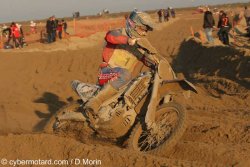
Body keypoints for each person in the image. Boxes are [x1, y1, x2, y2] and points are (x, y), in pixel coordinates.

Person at [72, 11, 174, 118]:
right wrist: (128, 40)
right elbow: (110, 37)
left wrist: (157, 64)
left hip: (123, 81)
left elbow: (146, 59)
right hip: (106, 73)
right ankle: (95, 102)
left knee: (141, 85)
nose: (144, 33)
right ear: (132, 25)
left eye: (146, 31)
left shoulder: (138, 47)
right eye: (142, 29)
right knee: (125, 74)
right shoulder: (117, 33)